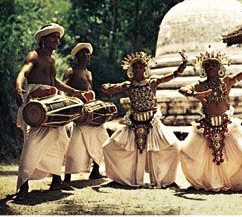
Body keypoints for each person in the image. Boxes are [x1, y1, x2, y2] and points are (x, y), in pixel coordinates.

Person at [15, 23, 86, 200]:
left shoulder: (52, 60)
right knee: (32, 142)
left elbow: (54, 81)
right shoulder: (34, 55)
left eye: (58, 38)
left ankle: (56, 179)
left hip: (52, 100)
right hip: (37, 100)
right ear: (43, 39)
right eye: (53, 37)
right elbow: (23, 72)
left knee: (59, 139)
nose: (56, 40)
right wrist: (18, 87)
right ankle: (23, 184)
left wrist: (73, 92)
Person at [178, 36, 242, 192]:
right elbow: (183, 89)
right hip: (206, 126)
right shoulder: (200, 85)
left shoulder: (227, 82)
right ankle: (202, 182)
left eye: (214, 64)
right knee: (186, 153)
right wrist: (193, 94)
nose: (211, 67)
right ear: (203, 69)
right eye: (207, 65)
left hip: (226, 126)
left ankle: (236, 182)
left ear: (220, 67)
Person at [101, 51, 187, 187]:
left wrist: (182, 66)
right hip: (134, 124)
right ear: (131, 70)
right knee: (109, 147)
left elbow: (170, 77)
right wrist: (106, 87)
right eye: (135, 67)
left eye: (141, 67)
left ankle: (164, 180)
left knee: (174, 147)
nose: (138, 70)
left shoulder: (152, 82)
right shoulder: (128, 86)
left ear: (145, 69)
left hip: (152, 123)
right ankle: (123, 178)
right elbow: (111, 88)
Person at [63, 43, 109, 183]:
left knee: (102, 138)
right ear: (76, 57)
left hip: (91, 110)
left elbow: (91, 90)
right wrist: (74, 103)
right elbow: (65, 90)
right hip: (79, 112)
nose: (85, 55)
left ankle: (95, 170)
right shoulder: (71, 71)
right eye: (82, 53)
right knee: (76, 143)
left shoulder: (89, 73)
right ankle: (68, 175)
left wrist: (95, 106)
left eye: (87, 53)